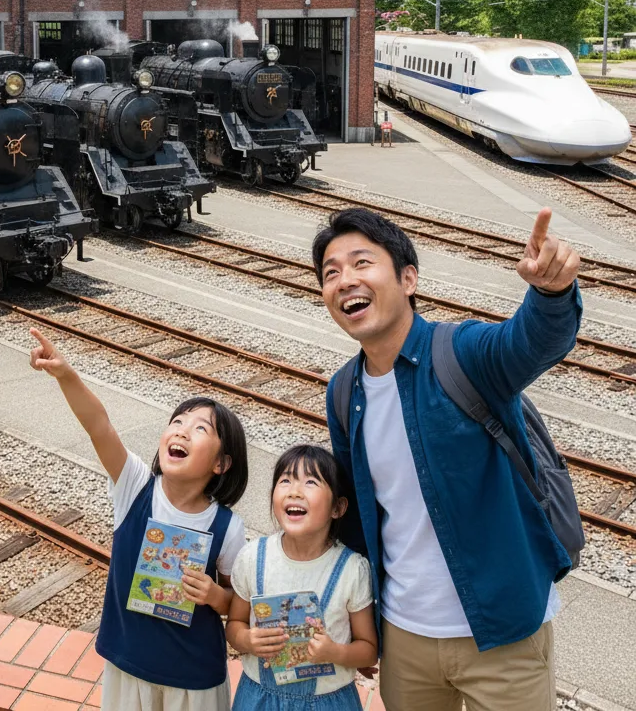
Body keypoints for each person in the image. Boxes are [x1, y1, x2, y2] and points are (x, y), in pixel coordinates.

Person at [314, 206, 582, 711]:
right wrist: (360, 616)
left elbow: (528, 342)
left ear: (408, 278)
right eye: (331, 273)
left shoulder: (462, 353)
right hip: (405, 636)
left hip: (503, 632)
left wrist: (551, 294)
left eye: (362, 263)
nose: (345, 280)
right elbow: (358, 514)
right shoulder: (344, 390)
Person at [29, 327, 249, 711]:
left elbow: (238, 605)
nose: (182, 430)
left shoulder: (228, 527)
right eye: (177, 421)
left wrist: (215, 596)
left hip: (194, 678)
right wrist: (66, 375)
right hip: (128, 665)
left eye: (201, 429)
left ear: (221, 464)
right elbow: (100, 425)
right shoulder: (134, 486)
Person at [227, 444, 377, 710]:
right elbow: (235, 624)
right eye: (285, 480)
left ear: (338, 508)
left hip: (328, 702)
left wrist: (336, 652)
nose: (294, 491)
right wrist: (248, 640)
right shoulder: (253, 558)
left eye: (310, 482)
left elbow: (368, 648)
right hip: (258, 698)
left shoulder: (351, 569)